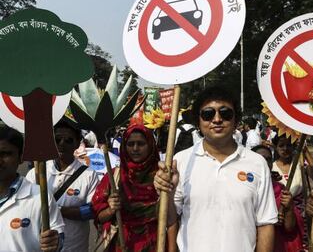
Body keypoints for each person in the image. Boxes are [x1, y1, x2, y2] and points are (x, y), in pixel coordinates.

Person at [154, 86, 277, 252]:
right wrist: (166, 192)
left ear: (236, 120)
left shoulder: (257, 163)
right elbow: (169, 220)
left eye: (225, 113)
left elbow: (265, 223)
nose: (217, 119)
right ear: (198, 122)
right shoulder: (181, 161)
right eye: (208, 114)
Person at [26, 120, 100, 252]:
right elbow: (26, 208)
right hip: (40, 247)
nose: (62, 144)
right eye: (57, 139)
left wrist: (55, 209)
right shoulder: (36, 173)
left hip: (75, 246)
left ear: (78, 143)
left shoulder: (89, 175)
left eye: (68, 140)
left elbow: (92, 210)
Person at [92, 124, 160, 252]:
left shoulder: (161, 177)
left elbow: (173, 217)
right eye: (130, 144)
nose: (135, 148)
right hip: (121, 244)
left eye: (140, 144)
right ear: (124, 146)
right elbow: (98, 216)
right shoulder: (114, 177)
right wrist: (110, 210)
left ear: (150, 145)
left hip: (155, 244)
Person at [0, 126, 64, 252]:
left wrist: (54, 242)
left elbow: (58, 238)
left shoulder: (40, 198)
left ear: (20, 157)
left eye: (6, 154)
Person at [252, 145, 305, 252]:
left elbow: (289, 228)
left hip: (279, 246)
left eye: (268, 159)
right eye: (260, 158)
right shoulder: (242, 190)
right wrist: (269, 222)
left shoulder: (281, 190)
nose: (265, 163)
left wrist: (289, 208)